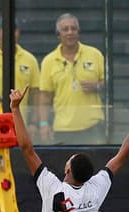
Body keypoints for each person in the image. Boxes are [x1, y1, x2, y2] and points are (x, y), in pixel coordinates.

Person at [39, 13, 105, 145]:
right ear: (58, 34)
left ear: (78, 32)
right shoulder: (49, 61)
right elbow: (45, 97)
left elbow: (107, 84)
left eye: (73, 28)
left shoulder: (95, 54)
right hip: (63, 129)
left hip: (92, 126)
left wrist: (96, 86)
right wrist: (44, 123)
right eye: (65, 29)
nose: (70, 32)